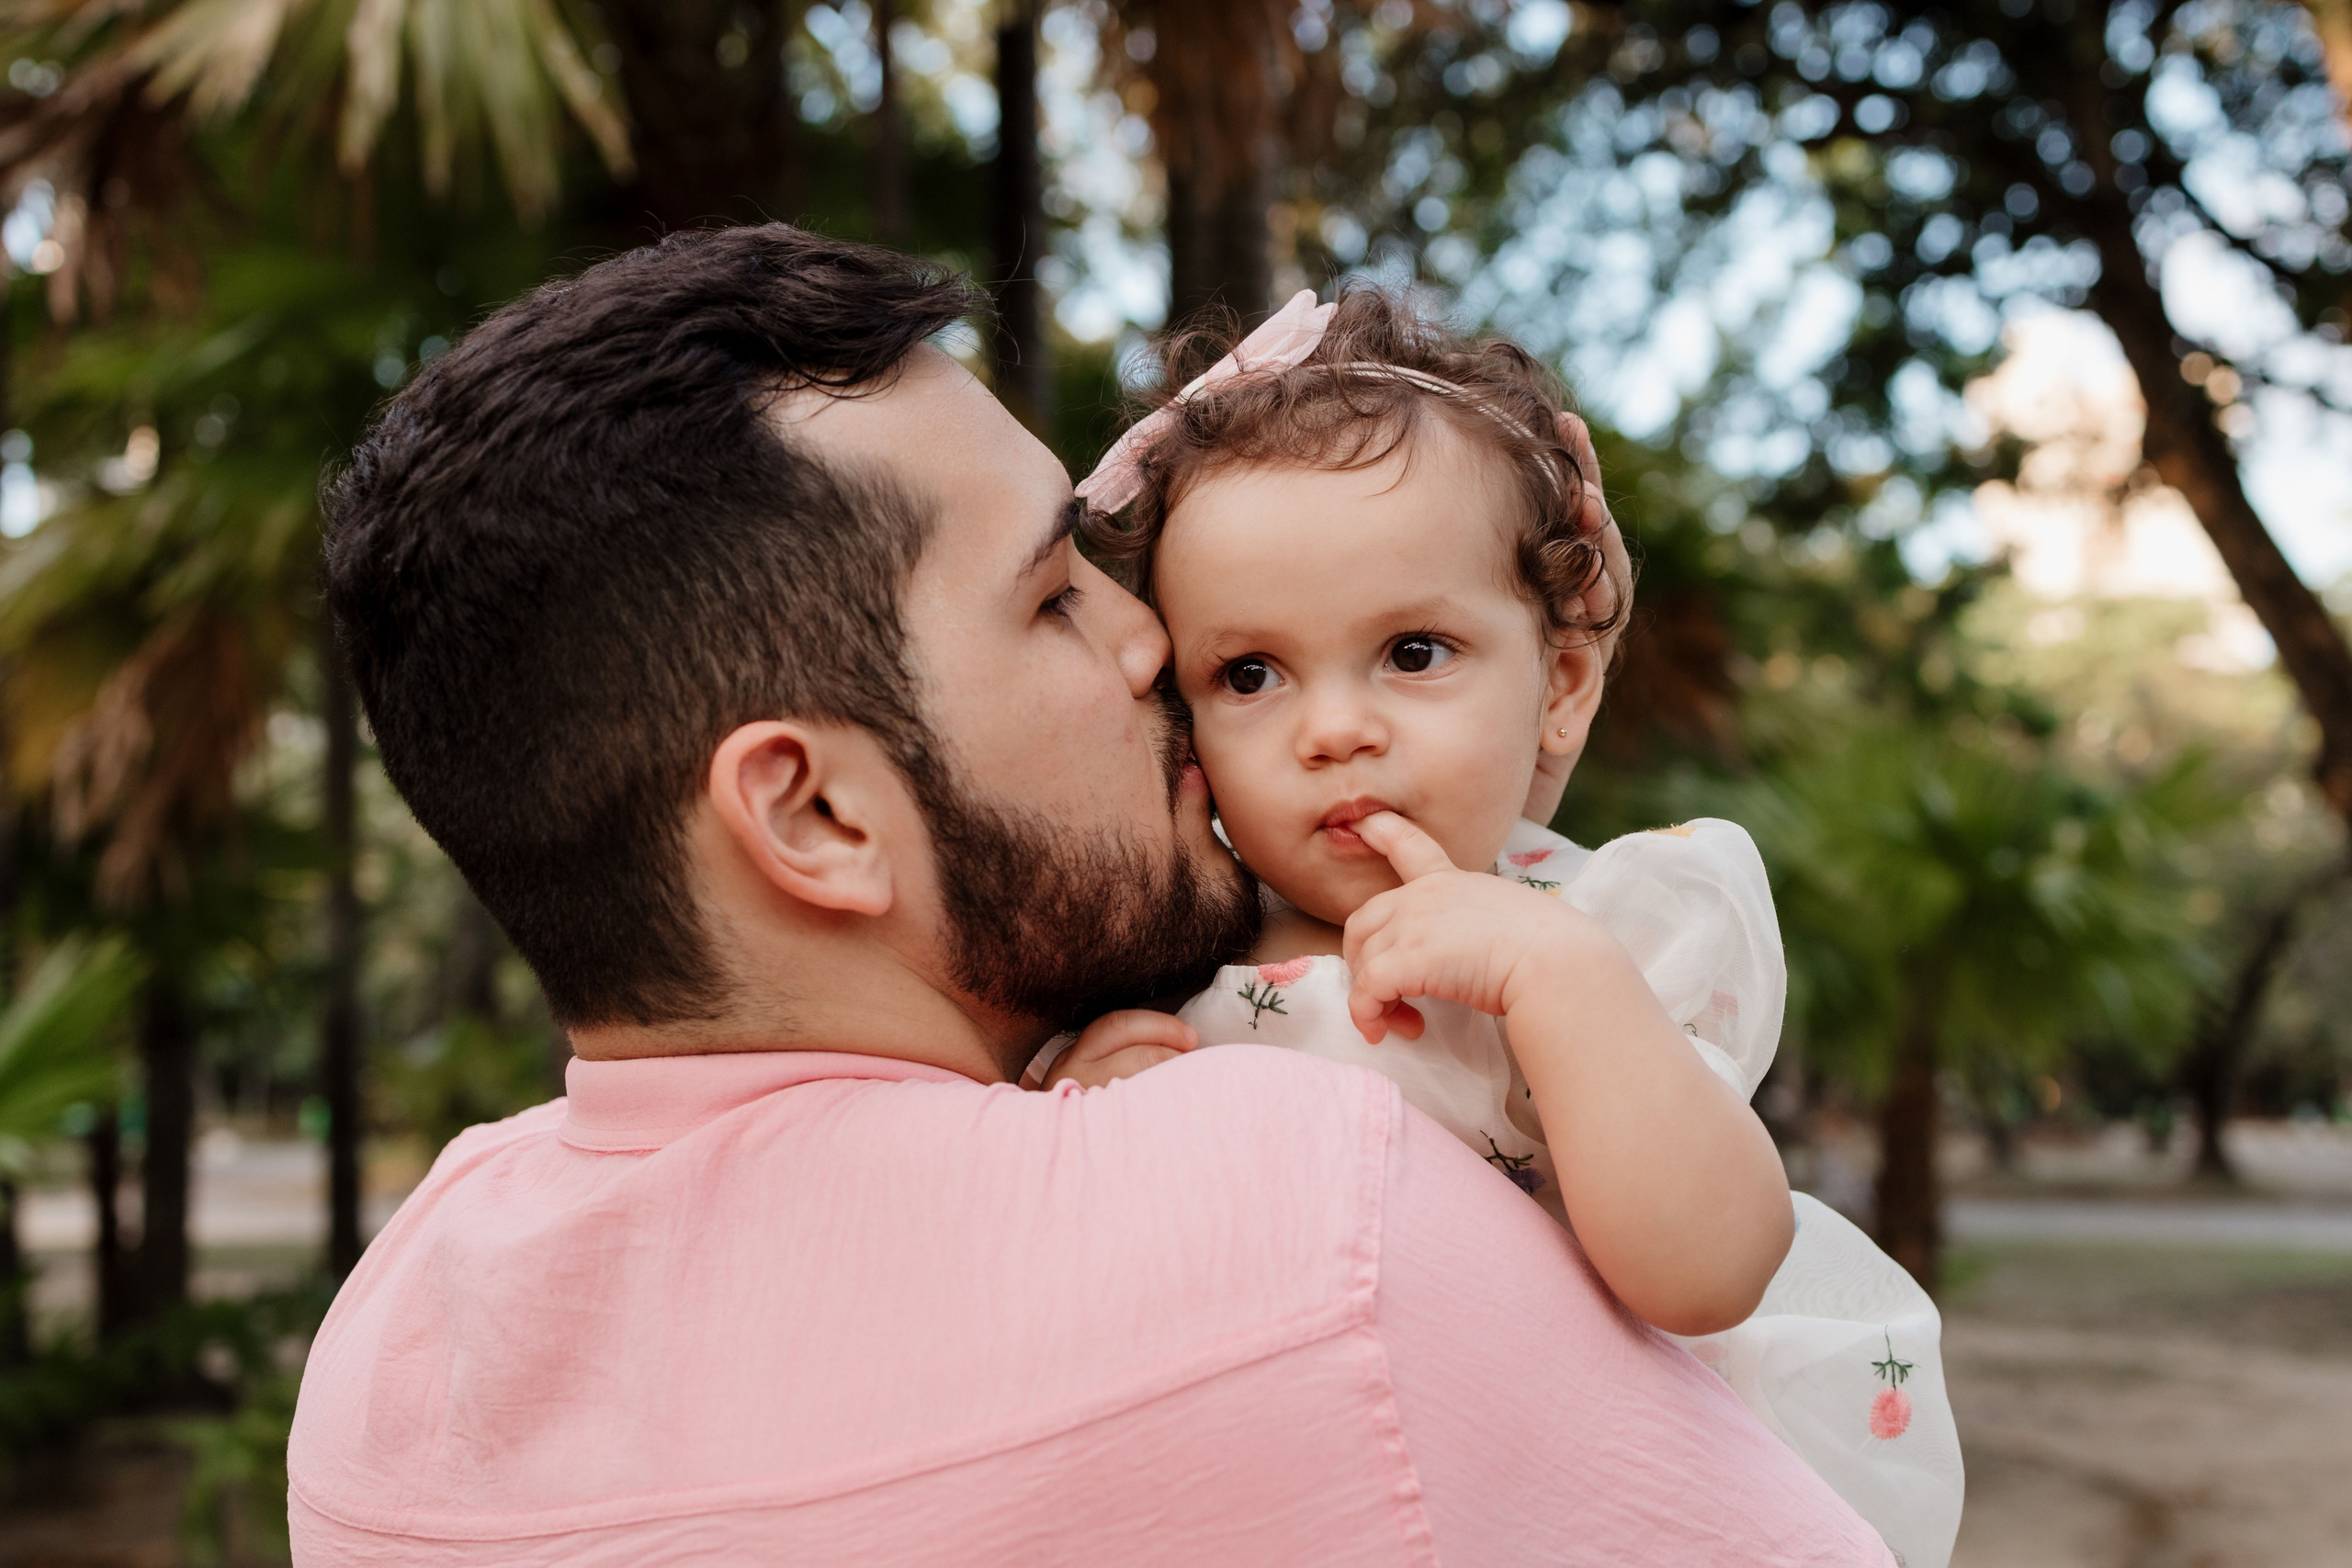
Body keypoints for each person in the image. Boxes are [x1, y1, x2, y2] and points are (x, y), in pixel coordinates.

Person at [290, 223, 1893, 1564]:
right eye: (1054, 595)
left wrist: (1481, 790)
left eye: (1412, 651)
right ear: (819, 814)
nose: (1154, 654)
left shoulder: (386, 1358)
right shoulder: (1312, 1208)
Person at [1035, 288, 1962, 1568]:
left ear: (1561, 686)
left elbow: (1714, 1267)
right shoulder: (1170, 951)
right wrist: (1093, 1122)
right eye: (1250, 674)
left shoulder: (1589, 930)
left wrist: (1561, 987)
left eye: (1413, 650)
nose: (1334, 728)